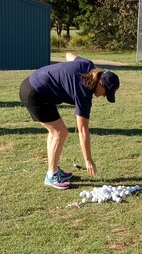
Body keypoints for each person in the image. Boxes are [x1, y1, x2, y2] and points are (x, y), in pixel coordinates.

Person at [19, 52, 120, 189]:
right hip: (35, 94)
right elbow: (83, 131)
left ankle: (53, 170)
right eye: (106, 93)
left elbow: (68, 55)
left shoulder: (87, 64)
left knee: (55, 132)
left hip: (35, 85)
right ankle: (51, 176)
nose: (103, 96)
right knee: (60, 133)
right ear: (100, 84)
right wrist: (88, 160)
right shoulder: (84, 92)